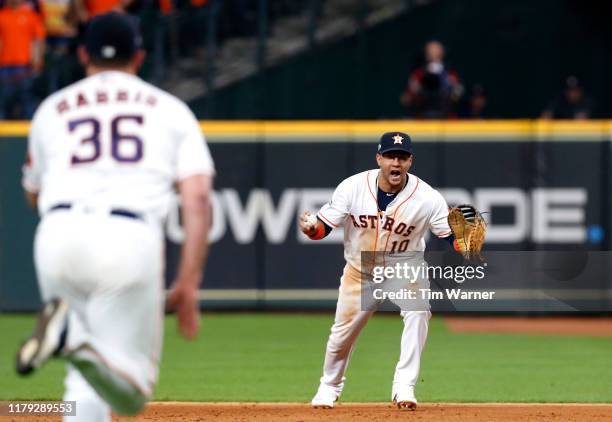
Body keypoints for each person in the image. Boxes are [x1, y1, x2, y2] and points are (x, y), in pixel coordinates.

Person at [16, 12, 215, 422]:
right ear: (139, 56)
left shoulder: (52, 109)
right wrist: (189, 282)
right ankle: (70, 339)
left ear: (83, 54)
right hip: (127, 238)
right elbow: (196, 199)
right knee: (131, 392)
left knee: (84, 376)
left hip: (58, 235)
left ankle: (71, 339)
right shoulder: (170, 109)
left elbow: (32, 191)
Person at [299, 132, 455, 410]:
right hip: (361, 271)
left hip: (404, 266)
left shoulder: (428, 198)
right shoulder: (353, 187)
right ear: (379, 158)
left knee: (419, 312)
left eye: (403, 157)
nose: (396, 163)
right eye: (391, 156)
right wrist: (312, 229)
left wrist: (466, 239)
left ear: (410, 161)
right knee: (341, 335)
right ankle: (329, 387)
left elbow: (450, 237)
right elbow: (322, 227)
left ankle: (404, 387)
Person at [0, 0, 46, 119]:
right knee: (3, 103)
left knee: (27, 102)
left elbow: (38, 40)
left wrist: (38, 59)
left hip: (25, 66)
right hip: (4, 66)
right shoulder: (2, 15)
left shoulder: (31, 16)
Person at [400, 40, 463, 119]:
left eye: (436, 50)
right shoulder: (418, 74)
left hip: (446, 116)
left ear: (442, 53)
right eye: (430, 51)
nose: (433, 53)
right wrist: (415, 91)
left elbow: (457, 96)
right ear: (426, 54)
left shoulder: (450, 74)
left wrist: (453, 89)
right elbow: (406, 99)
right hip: (423, 116)